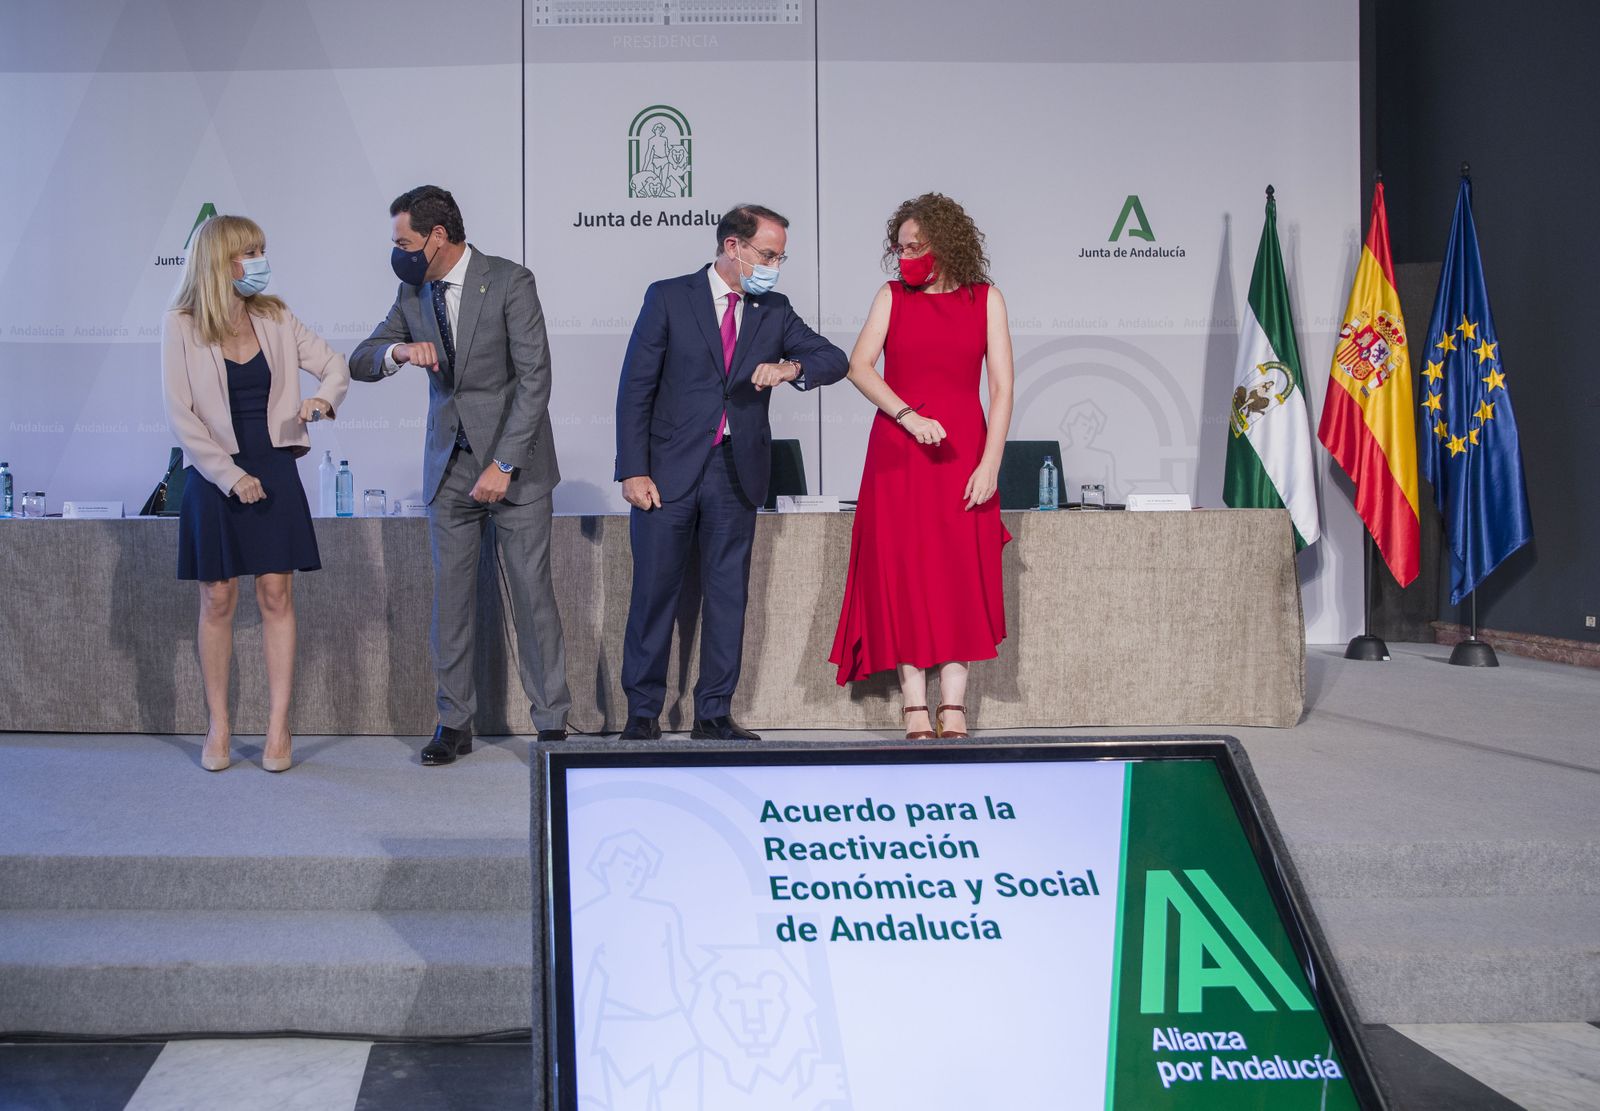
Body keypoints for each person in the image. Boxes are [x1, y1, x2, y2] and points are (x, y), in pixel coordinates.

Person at [350, 185, 570, 764]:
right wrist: (397, 354)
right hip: (448, 471)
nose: (397, 251)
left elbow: (534, 380)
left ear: (437, 237)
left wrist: (503, 463)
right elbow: (362, 357)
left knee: (532, 598)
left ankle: (550, 724)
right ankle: (454, 723)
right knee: (451, 603)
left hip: (514, 469)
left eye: (404, 241)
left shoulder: (509, 281)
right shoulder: (412, 290)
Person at [614, 203, 848, 741]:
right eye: (768, 254)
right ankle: (643, 712)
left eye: (781, 258)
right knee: (655, 591)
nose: (774, 266)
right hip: (666, 472)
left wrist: (791, 368)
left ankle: (714, 712)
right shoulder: (669, 296)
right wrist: (632, 469)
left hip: (734, 471)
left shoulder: (774, 308)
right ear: (733, 247)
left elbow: (832, 359)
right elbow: (635, 389)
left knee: (728, 594)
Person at [161, 215, 349, 772]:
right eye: (250, 252)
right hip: (215, 472)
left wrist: (323, 400)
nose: (259, 261)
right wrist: (229, 474)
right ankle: (218, 725)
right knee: (217, 598)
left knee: (276, 595)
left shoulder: (274, 314)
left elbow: (334, 365)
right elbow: (181, 415)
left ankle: (277, 728)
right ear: (220, 260)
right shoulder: (181, 323)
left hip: (274, 466)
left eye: (261, 250)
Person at [828, 193, 1015, 739]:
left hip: (964, 454)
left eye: (917, 246)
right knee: (903, 572)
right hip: (899, 451)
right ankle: (914, 702)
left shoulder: (987, 299)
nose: (906, 255)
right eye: (901, 247)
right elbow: (858, 368)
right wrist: (907, 416)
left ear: (947, 244)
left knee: (960, 572)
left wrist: (991, 463)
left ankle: (953, 703)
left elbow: (1002, 388)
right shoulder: (891, 297)